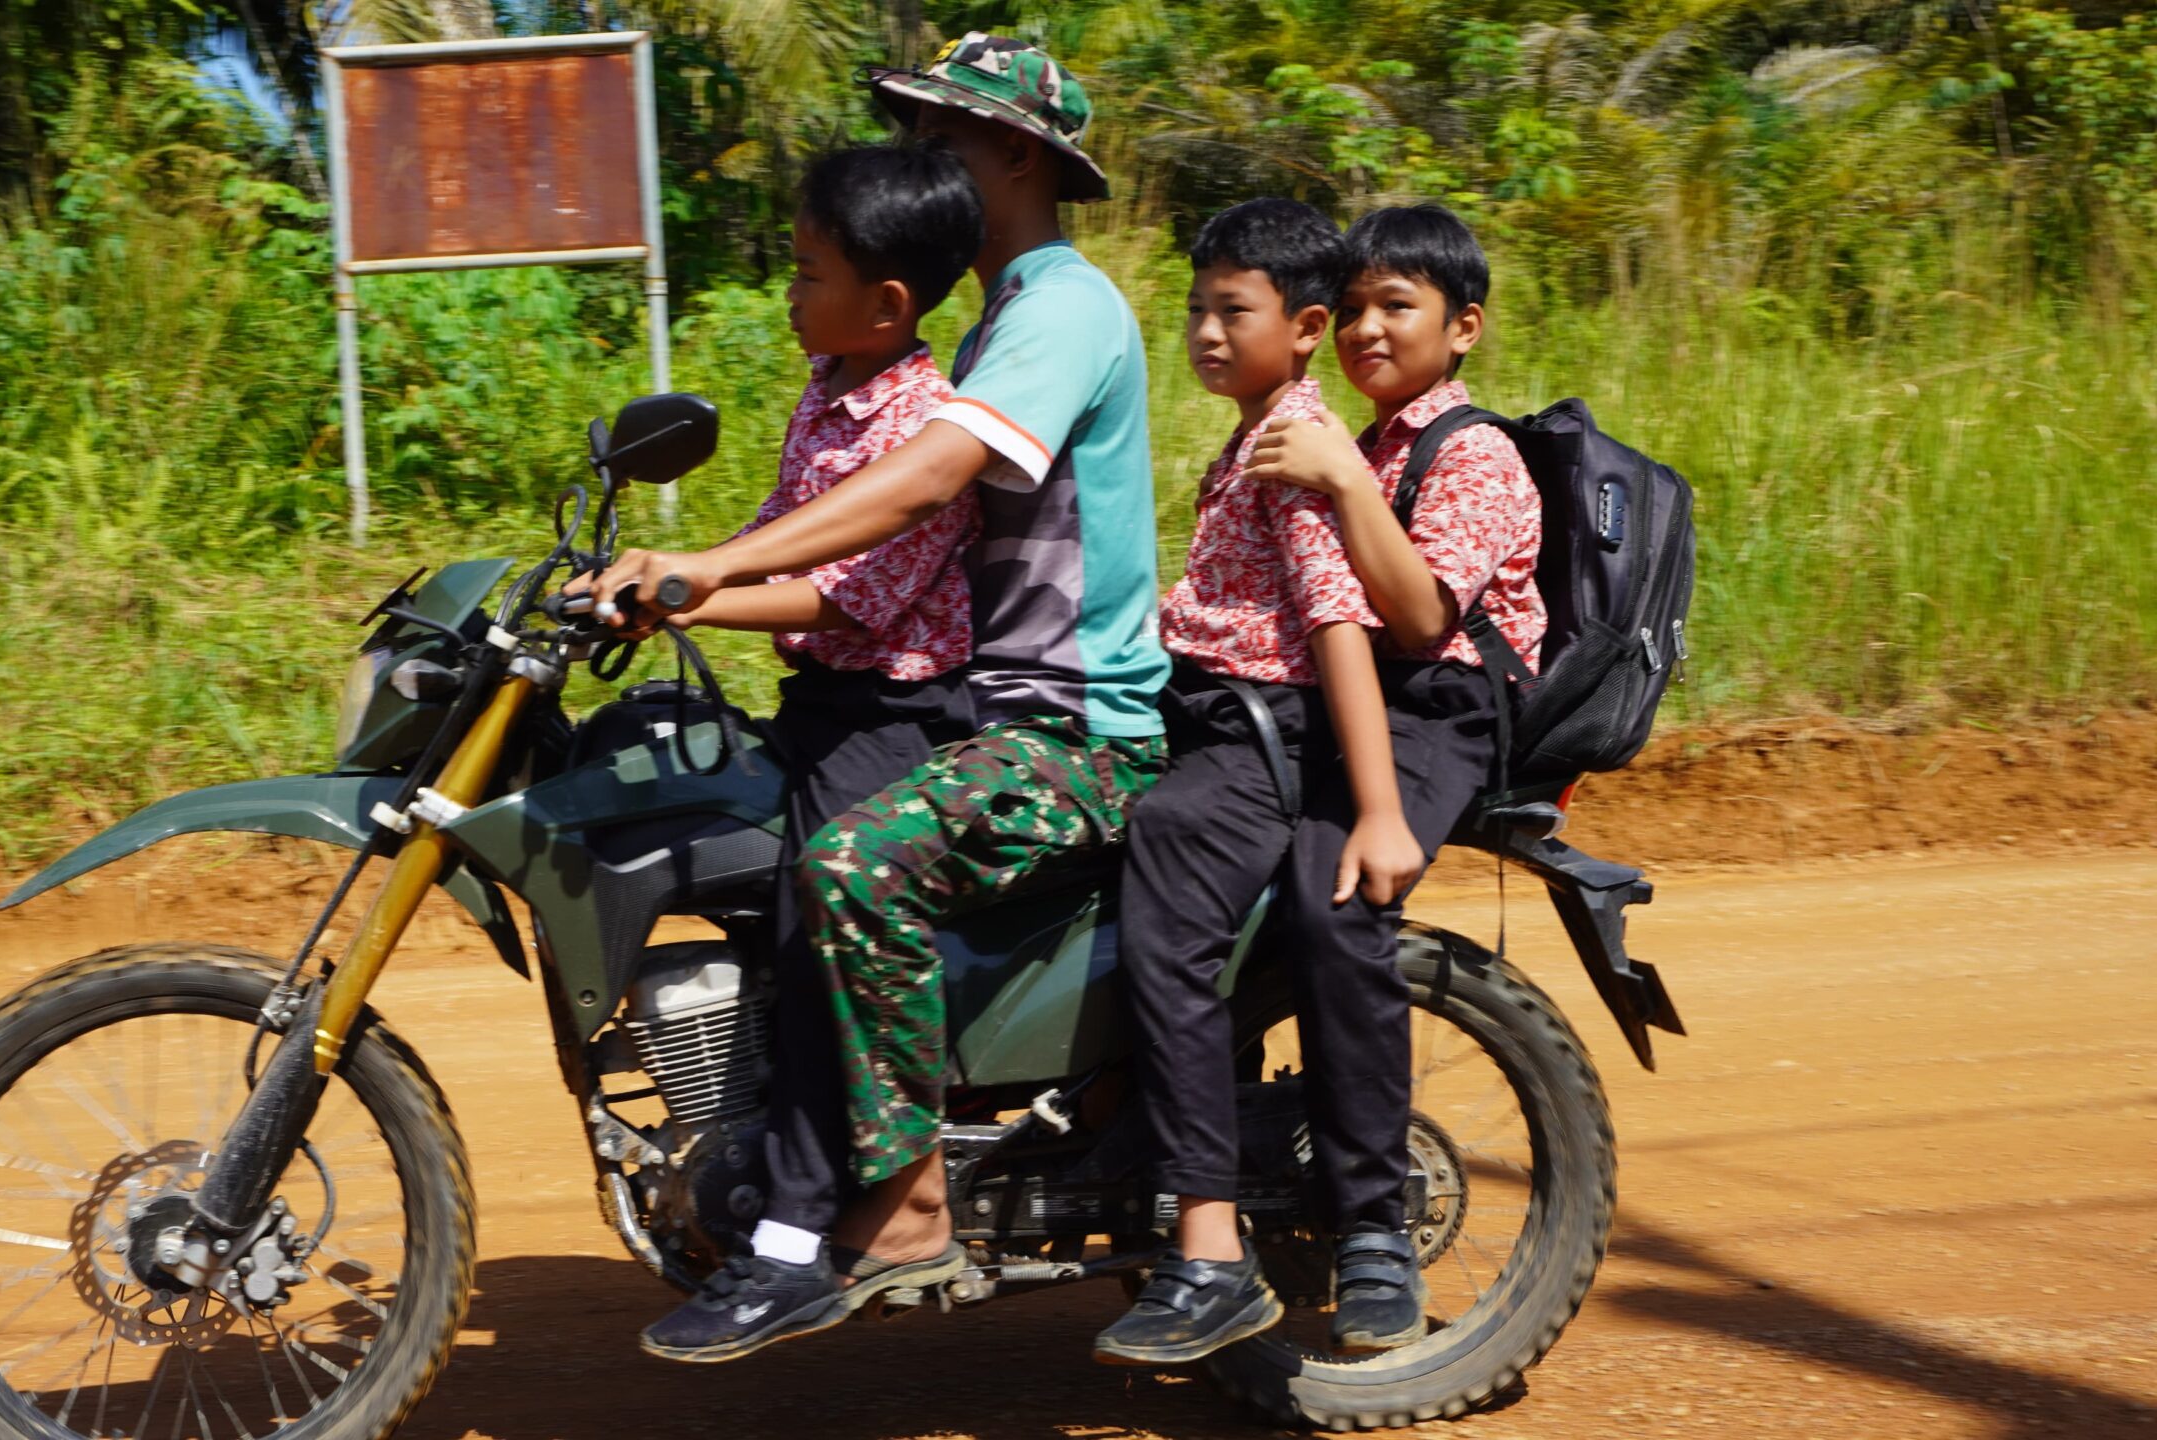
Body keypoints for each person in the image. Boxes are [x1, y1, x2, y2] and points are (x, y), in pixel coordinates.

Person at [594, 34, 1173, 1363]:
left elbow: (917, 488)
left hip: (1071, 732)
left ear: (1014, 155)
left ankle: (905, 1208)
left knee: (850, 870)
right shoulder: (990, 318)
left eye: (940, 136)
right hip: (1001, 713)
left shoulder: (1061, 311)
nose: (918, 161)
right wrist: (679, 583)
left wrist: (708, 567)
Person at [1136, 200, 1547, 1357]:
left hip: (1439, 712)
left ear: (1462, 327)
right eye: (1356, 308)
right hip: (1347, 702)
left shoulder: (1471, 453)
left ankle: (1370, 1227)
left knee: (1336, 899)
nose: (1369, 329)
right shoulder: (1345, 440)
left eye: (1396, 308)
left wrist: (1379, 812)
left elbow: (1412, 619)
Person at [640, 143, 985, 1354]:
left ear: (887, 301)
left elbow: (845, 598)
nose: (788, 293)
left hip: (895, 718)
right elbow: (780, 534)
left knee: (809, 923)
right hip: (822, 710)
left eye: (805, 271)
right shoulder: (833, 380)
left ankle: (789, 1240)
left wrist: (683, 593)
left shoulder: (927, 425)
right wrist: (647, 577)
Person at [1089, 196, 1429, 1365]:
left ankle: (1210, 1251)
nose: (1204, 332)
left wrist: (1378, 808)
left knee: (1168, 921)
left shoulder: (1289, 443)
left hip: (1252, 745)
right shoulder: (1252, 435)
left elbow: (1337, 627)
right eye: (1193, 310)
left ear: (1304, 325)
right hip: (1211, 720)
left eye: (1233, 311)